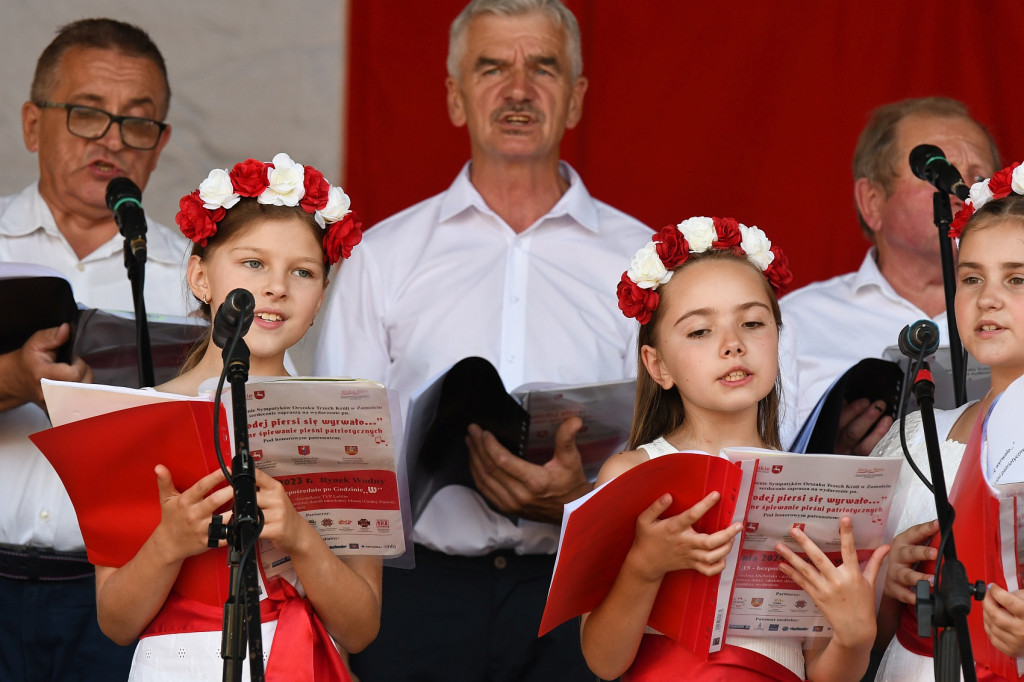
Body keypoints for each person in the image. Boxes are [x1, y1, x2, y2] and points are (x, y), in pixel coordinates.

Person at [312, 0, 651, 678]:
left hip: (581, 594)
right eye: (492, 67)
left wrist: (580, 500)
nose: (519, 89)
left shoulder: (643, 260)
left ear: (577, 100)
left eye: (544, 68)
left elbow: (672, 439)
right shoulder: (385, 256)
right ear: (455, 98)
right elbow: (337, 457)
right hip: (417, 598)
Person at [92, 153, 378, 680]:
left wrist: (299, 536)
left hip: (304, 661)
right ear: (200, 275)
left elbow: (362, 628)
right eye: (253, 263)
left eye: (303, 271)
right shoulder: (140, 417)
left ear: (320, 298)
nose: (276, 286)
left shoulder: (347, 422)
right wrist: (170, 543)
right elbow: (115, 620)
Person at [581, 216, 889, 682]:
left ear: (778, 339)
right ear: (657, 364)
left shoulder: (818, 488)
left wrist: (854, 636)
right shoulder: (630, 474)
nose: (733, 345)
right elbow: (603, 661)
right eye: (700, 331)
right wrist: (645, 566)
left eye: (751, 322)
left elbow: (825, 672)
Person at [0, 19, 185, 681]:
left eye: (138, 123)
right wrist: (12, 382)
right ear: (32, 124)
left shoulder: (194, 277)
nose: (112, 141)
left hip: (125, 595)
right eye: (86, 114)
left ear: (159, 146)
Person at [872, 162, 1024, 681]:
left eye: (1018, 278)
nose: (988, 298)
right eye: (972, 278)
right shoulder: (918, 435)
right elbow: (860, 626)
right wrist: (885, 579)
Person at [778, 96, 998, 454]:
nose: (963, 189)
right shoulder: (797, 321)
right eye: (938, 172)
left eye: (978, 177)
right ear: (872, 202)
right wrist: (830, 459)